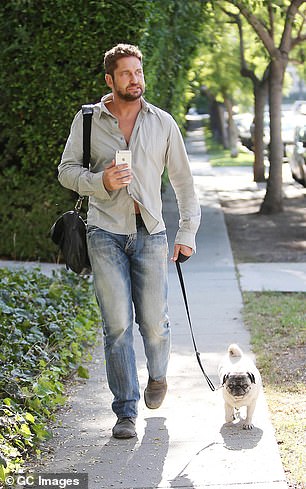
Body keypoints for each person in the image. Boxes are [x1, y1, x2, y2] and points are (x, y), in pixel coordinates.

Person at [58, 43, 201, 439]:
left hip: (151, 233)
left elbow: (184, 182)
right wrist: (98, 182)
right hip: (103, 231)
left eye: (138, 72)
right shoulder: (88, 120)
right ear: (110, 79)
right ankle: (125, 412)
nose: (135, 79)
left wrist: (186, 233)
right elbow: (66, 171)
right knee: (117, 325)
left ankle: (158, 375)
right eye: (126, 73)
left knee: (154, 324)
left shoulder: (162, 123)